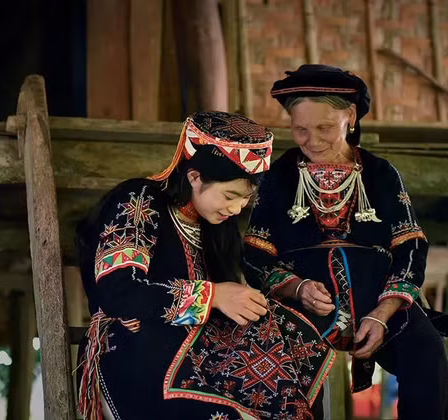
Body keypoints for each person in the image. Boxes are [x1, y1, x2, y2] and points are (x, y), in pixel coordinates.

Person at [74, 111, 335, 420]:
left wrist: (299, 289)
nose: (237, 208)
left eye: (245, 199)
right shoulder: (140, 199)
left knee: (284, 328)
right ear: (194, 177)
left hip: (205, 355)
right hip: (136, 350)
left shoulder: (217, 226)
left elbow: (250, 278)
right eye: (230, 195)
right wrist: (213, 296)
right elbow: (118, 293)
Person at [243, 65, 448, 419]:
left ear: (350, 117)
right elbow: (254, 255)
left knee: (426, 349)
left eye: (324, 127)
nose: (312, 140)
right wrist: (296, 287)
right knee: (292, 379)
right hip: (301, 309)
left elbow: (411, 246)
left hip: (377, 298)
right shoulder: (276, 177)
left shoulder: (382, 174)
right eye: (300, 129)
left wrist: (384, 315)